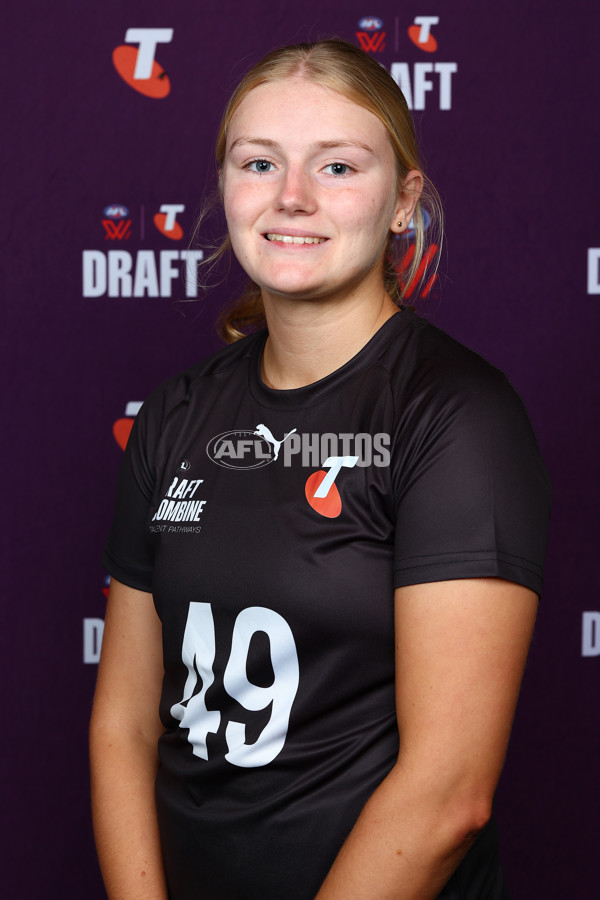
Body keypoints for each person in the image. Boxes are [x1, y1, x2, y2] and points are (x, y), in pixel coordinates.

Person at [89, 39, 551, 900]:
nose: (291, 196)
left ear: (405, 200)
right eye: (259, 162)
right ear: (226, 185)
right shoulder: (176, 414)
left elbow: (450, 793)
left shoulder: (454, 416)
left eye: (337, 166)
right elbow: (123, 722)